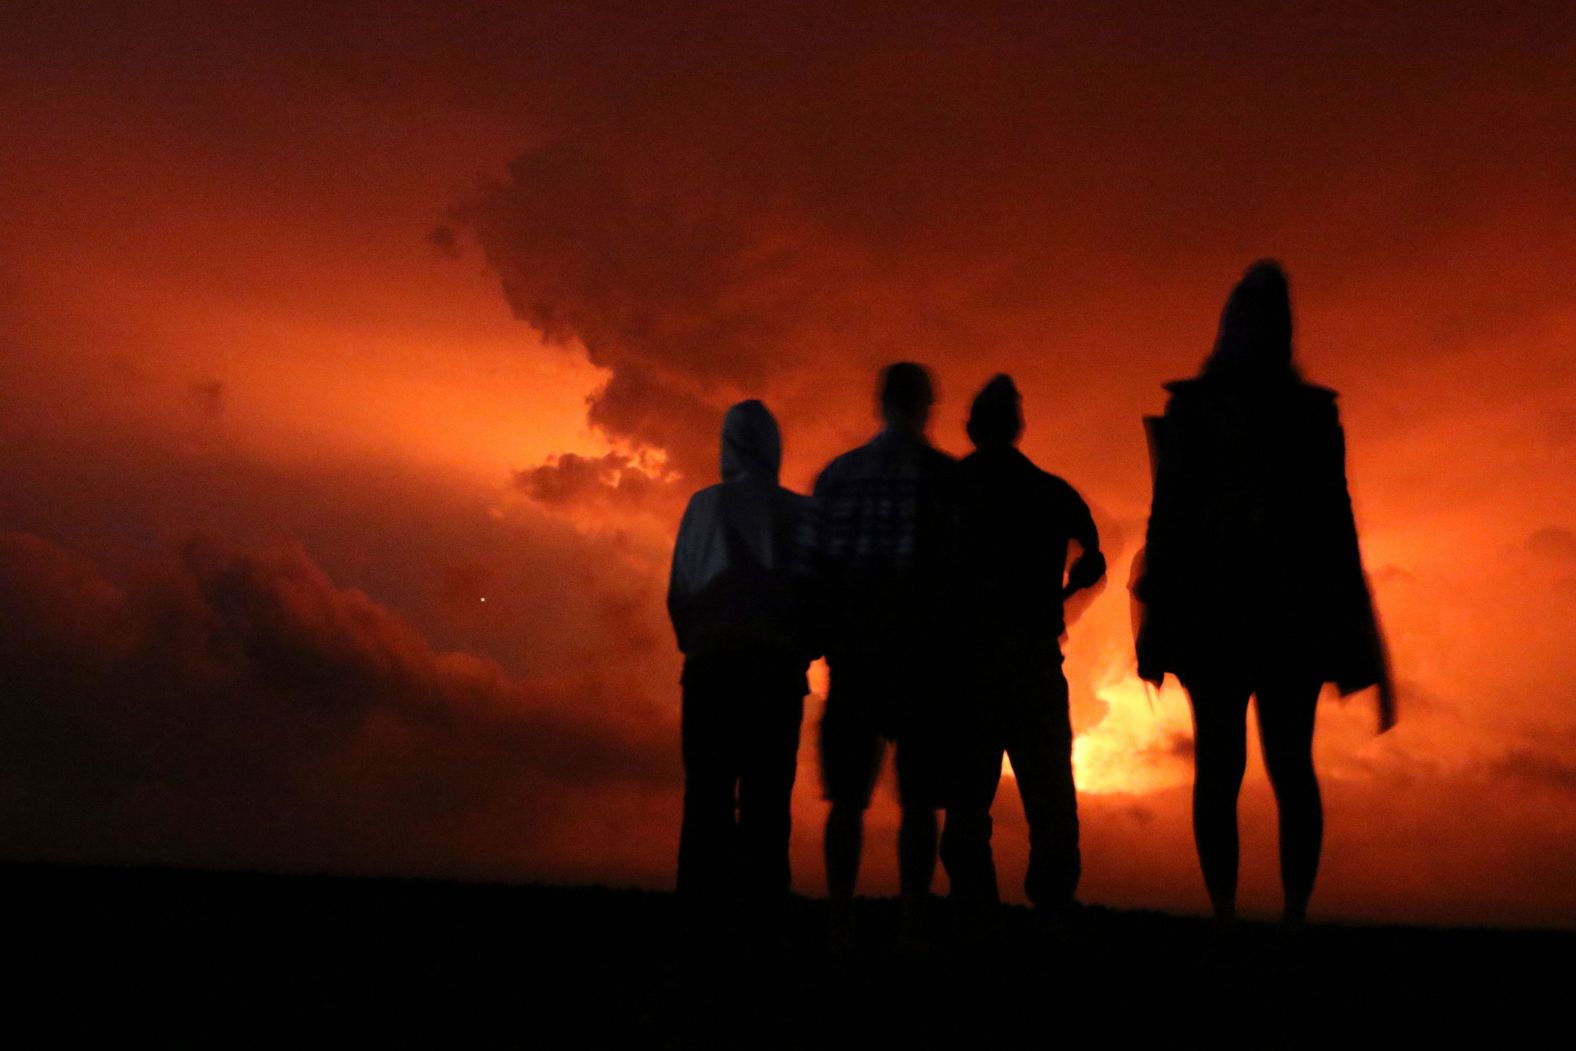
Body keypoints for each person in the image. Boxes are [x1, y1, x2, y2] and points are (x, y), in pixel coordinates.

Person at [1134, 260, 1394, 928]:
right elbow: (1336, 525)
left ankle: (1242, 914)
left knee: (1233, 769)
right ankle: (1285, 915)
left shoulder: (1200, 410)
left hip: (1233, 613)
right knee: (1277, 766)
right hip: (1277, 614)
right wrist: (1362, 638)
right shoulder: (1302, 414)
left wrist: (1156, 625)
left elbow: (1168, 521)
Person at [940, 375, 1105, 925]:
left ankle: (974, 906)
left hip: (969, 661)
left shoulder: (950, 487)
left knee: (967, 796)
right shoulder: (1051, 491)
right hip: (1034, 658)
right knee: (1050, 792)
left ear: (971, 428)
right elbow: (1095, 558)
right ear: (1017, 427)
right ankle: (1054, 903)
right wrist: (1066, 598)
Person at [814, 362, 958, 949]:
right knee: (921, 802)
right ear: (928, 405)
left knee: (846, 799)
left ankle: (842, 915)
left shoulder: (837, 477)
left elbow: (816, 567)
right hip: (923, 656)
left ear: (880, 404)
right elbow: (960, 572)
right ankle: (911, 920)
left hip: (854, 654)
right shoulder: (948, 479)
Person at [668, 399, 818, 935]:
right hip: (775, 677)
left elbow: (679, 593)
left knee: (706, 803)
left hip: (710, 672)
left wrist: (699, 644)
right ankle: (761, 928)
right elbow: (816, 598)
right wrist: (801, 648)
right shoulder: (800, 513)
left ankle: (700, 929)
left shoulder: (701, 507)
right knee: (768, 808)